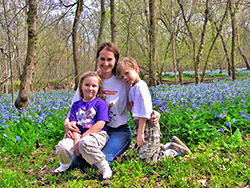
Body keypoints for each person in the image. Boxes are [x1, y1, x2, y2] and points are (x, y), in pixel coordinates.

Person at [63, 42, 160, 175]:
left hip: (118, 131)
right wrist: (67, 121)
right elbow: (76, 104)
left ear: (115, 60)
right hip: (93, 133)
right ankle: (114, 154)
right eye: (102, 59)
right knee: (75, 164)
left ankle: (116, 152)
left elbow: (139, 101)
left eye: (110, 59)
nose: (106, 63)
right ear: (97, 59)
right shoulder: (90, 80)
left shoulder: (123, 80)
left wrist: (154, 113)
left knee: (97, 166)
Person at [116, 57, 191, 163]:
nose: (125, 78)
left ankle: (174, 150)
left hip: (147, 124)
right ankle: (169, 145)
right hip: (141, 124)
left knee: (148, 159)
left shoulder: (140, 87)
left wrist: (141, 133)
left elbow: (143, 112)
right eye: (122, 77)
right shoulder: (133, 87)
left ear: (136, 69)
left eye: (127, 73)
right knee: (146, 150)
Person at [51, 71, 112, 180]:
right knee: (62, 146)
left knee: (85, 143)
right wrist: (76, 138)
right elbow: (72, 124)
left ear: (99, 89)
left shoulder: (100, 103)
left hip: (97, 134)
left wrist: (82, 138)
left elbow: (100, 124)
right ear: (81, 87)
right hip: (78, 136)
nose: (90, 88)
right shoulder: (76, 105)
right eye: (87, 85)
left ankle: (104, 167)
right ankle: (64, 165)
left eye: (94, 86)